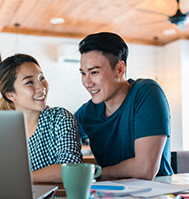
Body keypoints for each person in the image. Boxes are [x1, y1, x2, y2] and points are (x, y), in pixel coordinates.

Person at [74, 32, 174, 180]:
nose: (87, 83)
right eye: (83, 73)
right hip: (108, 194)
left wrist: (96, 173)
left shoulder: (147, 92)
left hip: (154, 193)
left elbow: (144, 170)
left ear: (120, 69)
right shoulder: (87, 112)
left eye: (94, 72)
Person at [0, 53, 83, 183]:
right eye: (29, 82)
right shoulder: (3, 133)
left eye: (42, 78)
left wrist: (21, 179)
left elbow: (71, 168)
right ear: (10, 95)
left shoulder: (59, 118)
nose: (41, 87)